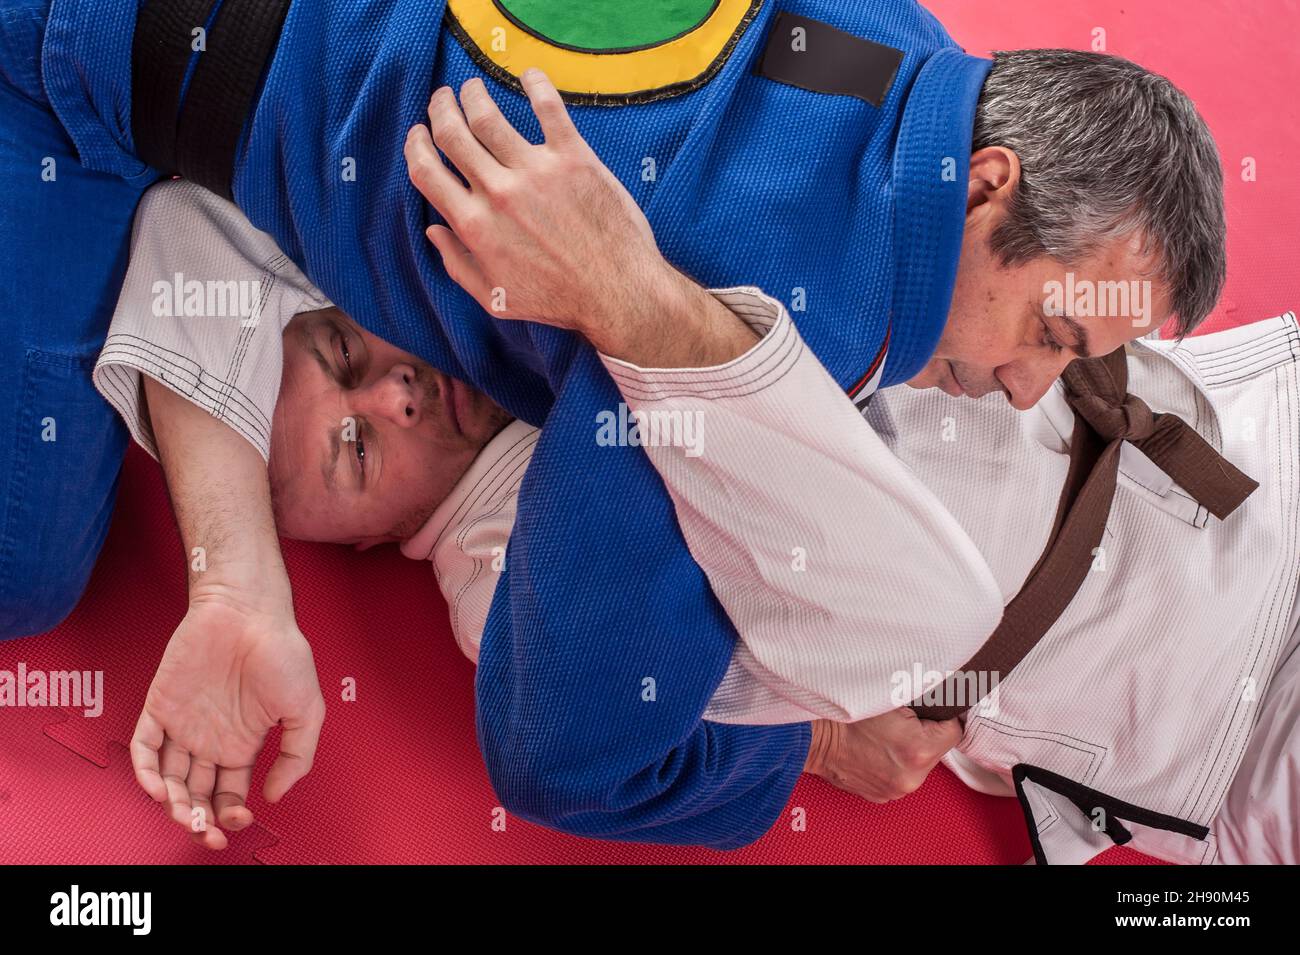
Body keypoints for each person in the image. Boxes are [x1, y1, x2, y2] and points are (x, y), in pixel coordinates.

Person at [3, 0, 1227, 849]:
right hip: (57, 67)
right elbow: (563, 762)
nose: (1027, 387)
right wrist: (801, 745)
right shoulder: (756, 319)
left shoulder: (909, 55)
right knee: (21, 577)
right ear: (987, 184)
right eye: (1051, 337)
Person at [98, 180, 1299, 864]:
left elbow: (187, 213)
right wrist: (820, 746)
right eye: (356, 446)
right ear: (363, 544)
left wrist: (232, 580)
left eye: (347, 349)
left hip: (1258, 426)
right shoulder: (517, 588)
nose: (396, 393)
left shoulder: (481, 256)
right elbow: (677, 755)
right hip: (1221, 721)